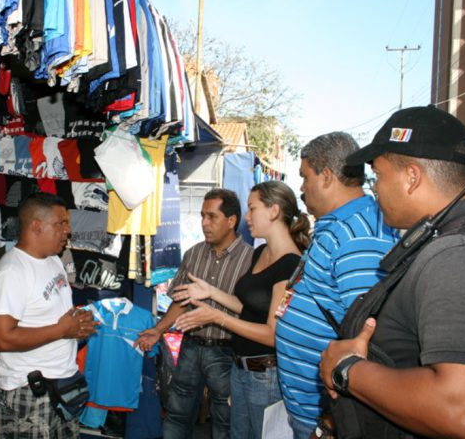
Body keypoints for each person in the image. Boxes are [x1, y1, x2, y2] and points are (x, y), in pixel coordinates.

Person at [319, 106, 465, 437]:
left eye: (378, 176)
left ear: (412, 177)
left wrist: (347, 371)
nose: (374, 189)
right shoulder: (450, 237)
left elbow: (464, 411)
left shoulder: (457, 252)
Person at [274, 132, 400, 438]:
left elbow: (368, 334)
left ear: (327, 176)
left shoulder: (358, 235)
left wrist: (332, 420)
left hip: (329, 417)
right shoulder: (340, 225)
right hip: (312, 410)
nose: (301, 188)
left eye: (305, 177)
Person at [172, 181, 311, 439]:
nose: (246, 218)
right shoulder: (260, 253)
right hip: (240, 370)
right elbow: (248, 308)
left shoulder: (291, 265)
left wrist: (217, 317)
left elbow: (272, 333)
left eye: (251, 209)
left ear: (273, 211)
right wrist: (212, 293)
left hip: (265, 376)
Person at [135, 188, 255, 439]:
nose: (204, 223)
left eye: (212, 217)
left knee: (225, 423)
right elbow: (180, 301)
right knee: (177, 416)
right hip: (191, 345)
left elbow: (251, 312)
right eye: (202, 216)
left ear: (231, 221)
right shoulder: (194, 253)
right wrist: (159, 330)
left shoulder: (252, 260)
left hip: (227, 351)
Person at [0, 193, 98, 439]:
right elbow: (2, 339)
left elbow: (54, 315)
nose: (67, 231)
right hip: (29, 391)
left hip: (62, 386)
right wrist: (63, 330)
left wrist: (77, 322)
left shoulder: (53, 261)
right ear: (36, 225)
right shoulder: (12, 272)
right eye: (61, 223)